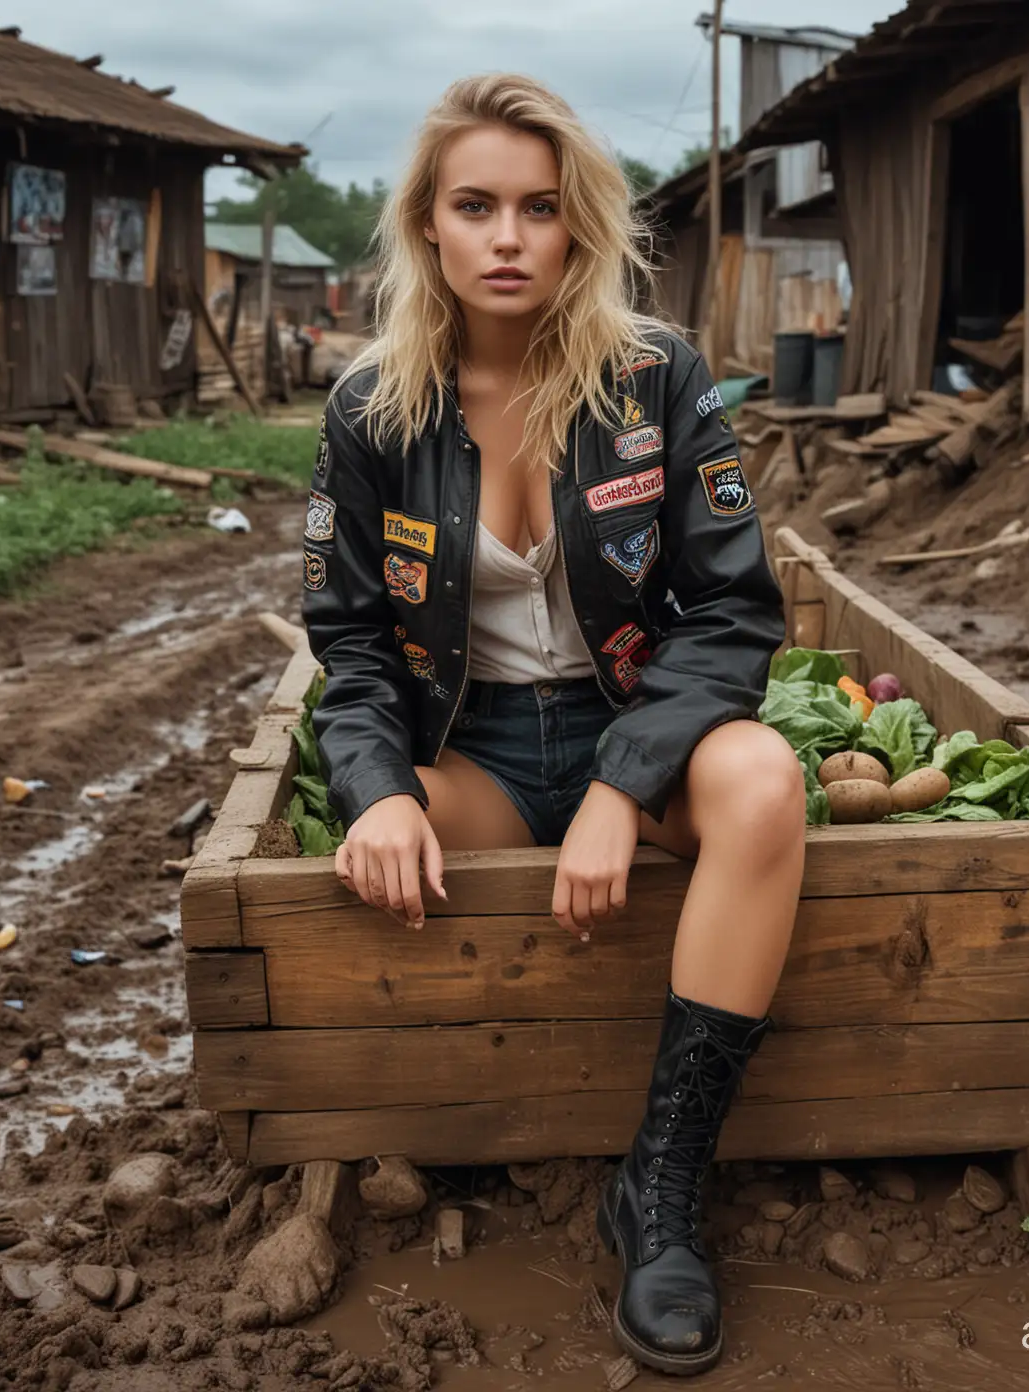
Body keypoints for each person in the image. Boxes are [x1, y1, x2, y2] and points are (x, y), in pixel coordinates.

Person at [299, 74, 807, 1376]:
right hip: (467, 749)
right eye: (477, 206)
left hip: (630, 723)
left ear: (578, 229)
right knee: (368, 845)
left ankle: (662, 1188)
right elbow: (350, 643)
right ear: (427, 225)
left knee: (760, 781)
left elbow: (736, 610)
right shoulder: (368, 411)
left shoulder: (655, 379)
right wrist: (381, 793)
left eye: (540, 207)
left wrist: (623, 785)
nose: (510, 237)